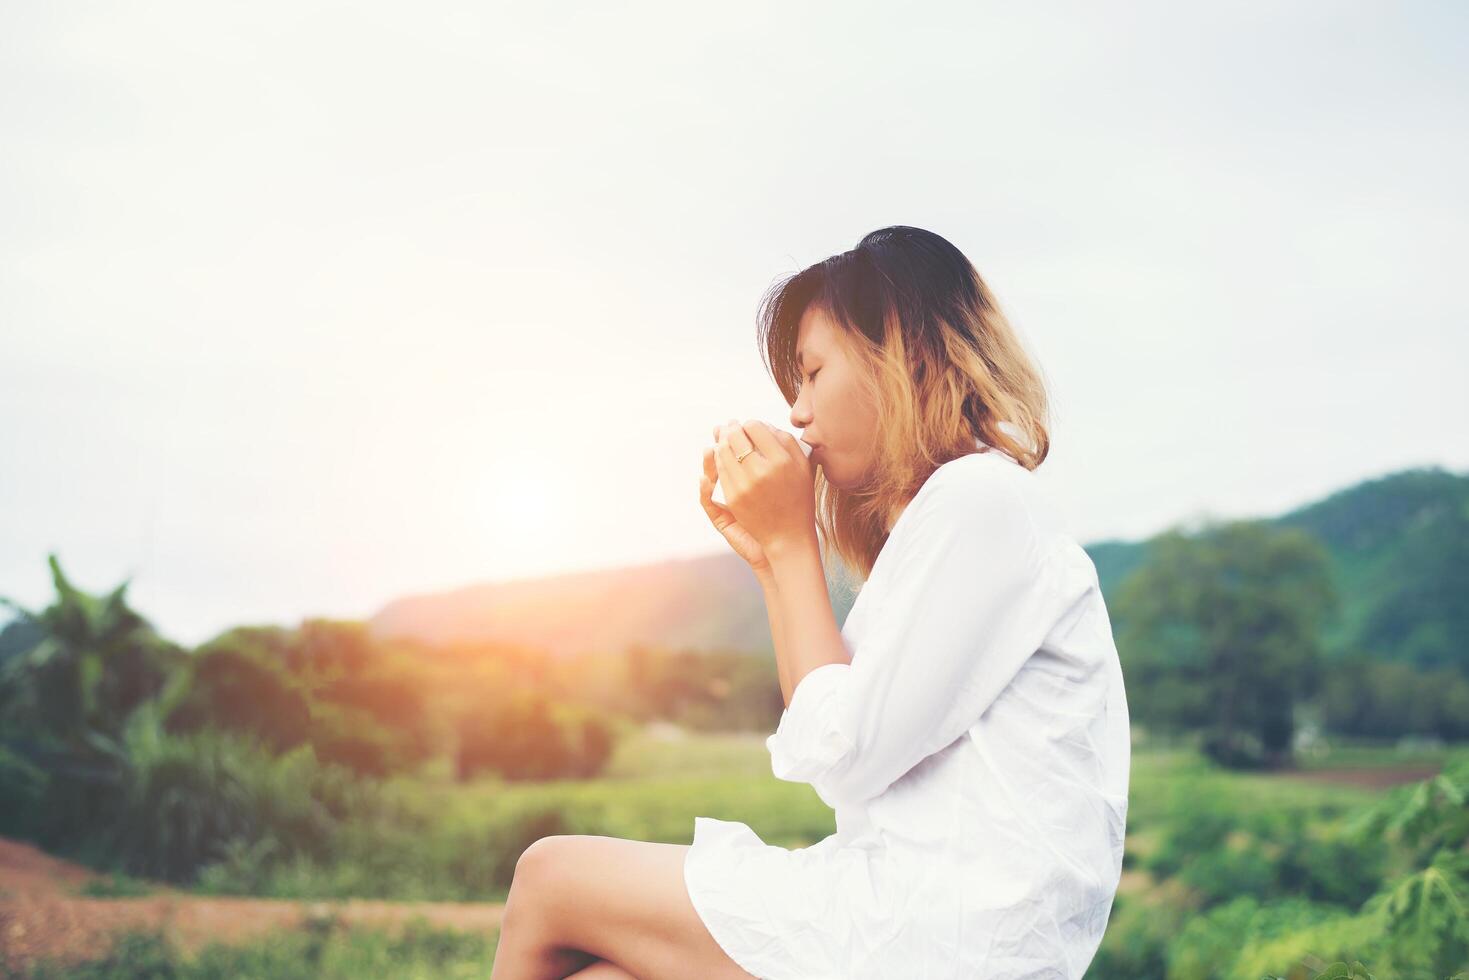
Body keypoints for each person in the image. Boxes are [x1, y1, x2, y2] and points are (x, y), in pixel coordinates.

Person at [489, 226, 1131, 980]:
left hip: (943, 939)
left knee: (550, 876)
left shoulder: (979, 498)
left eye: (811, 372)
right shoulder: (957, 518)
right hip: (921, 926)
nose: (796, 412)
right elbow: (838, 739)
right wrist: (771, 559)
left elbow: (846, 758)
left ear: (901, 352)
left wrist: (793, 548)